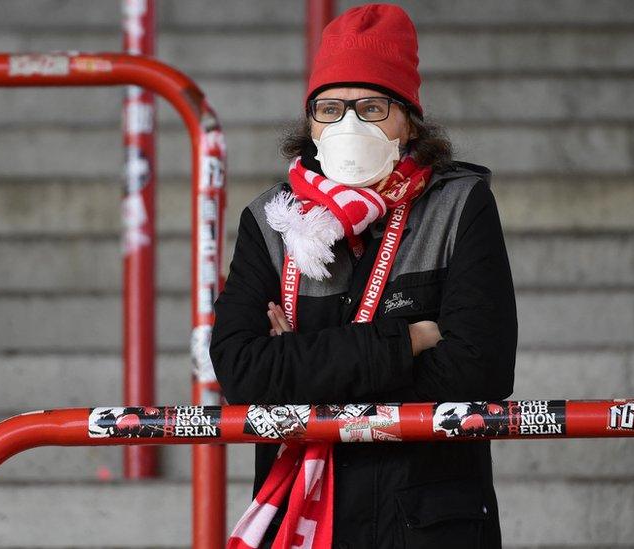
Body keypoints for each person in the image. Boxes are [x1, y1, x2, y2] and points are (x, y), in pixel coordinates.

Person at [210, 3, 517, 548]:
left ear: (408, 122)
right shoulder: (270, 220)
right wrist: (409, 340)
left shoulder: (458, 206)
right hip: (299, 522)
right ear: (310, 124)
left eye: (372, 107)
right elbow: (243, 375)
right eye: (329, 109)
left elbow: (478, 374)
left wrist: (303, 364)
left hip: (426, 524)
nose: (347, 124)